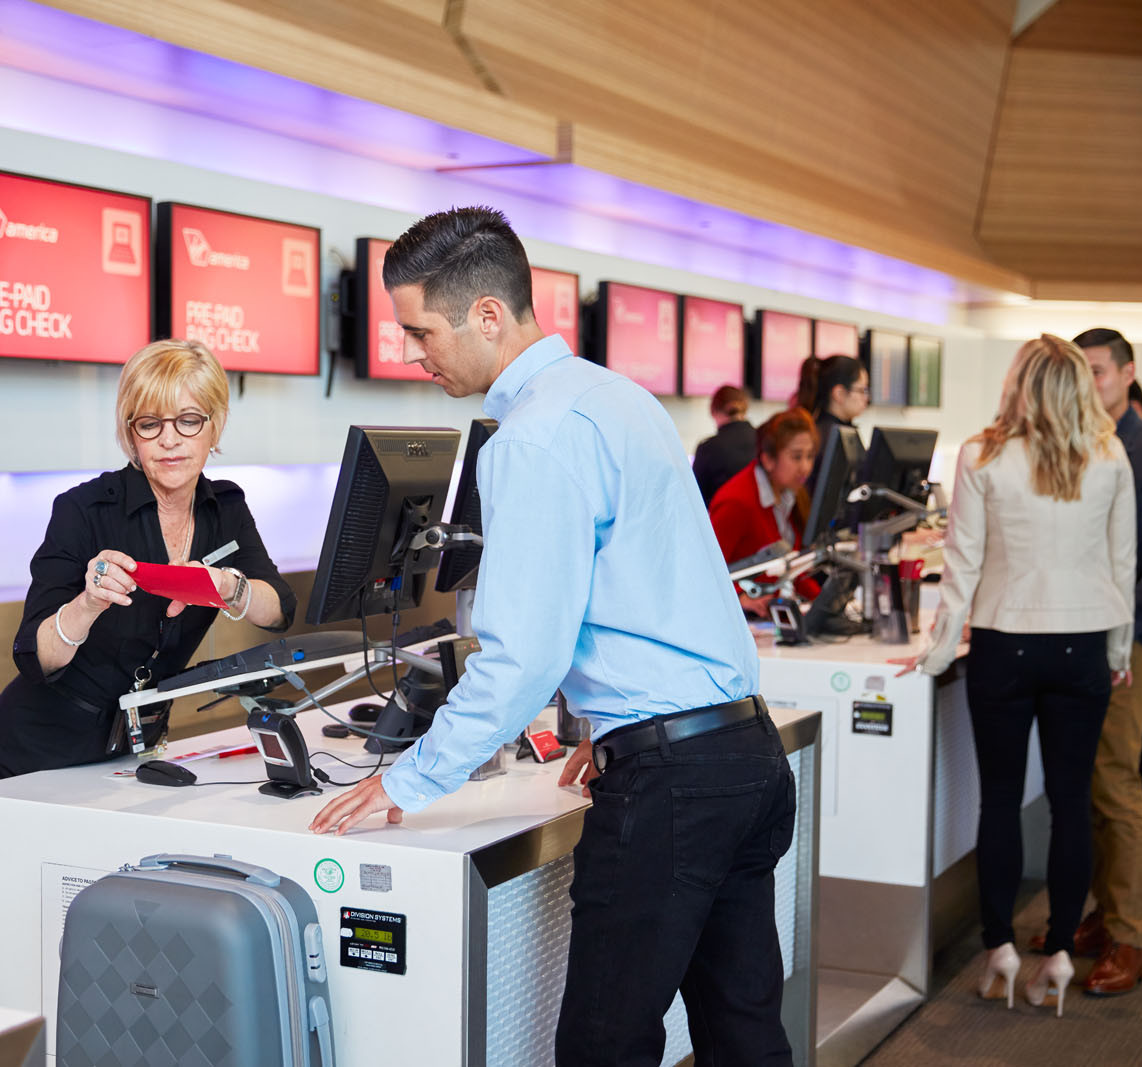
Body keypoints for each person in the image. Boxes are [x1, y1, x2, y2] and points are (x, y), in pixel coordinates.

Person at [309, 207, 795, 1067]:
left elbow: (524, 656)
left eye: (421, 331)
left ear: (487, 316)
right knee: (745, 1035)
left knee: (604, 1048)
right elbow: (655, 588)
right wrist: (607, 729)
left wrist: (410, 781)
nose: (413, 354)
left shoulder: (530, 439)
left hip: (674, 783)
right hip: (741, 751)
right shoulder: (619, 399)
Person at [890, 335, 1135, 1016]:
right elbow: (1123, 564)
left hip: (1004, 641)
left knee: (998, 801)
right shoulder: (1110, 453)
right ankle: (1058, 952)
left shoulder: (983, 453)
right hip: (1083, 645)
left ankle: (999, 946)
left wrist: (936, 653)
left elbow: (961, 566)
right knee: (1069, 803)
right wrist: (1117, 654)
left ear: (1019, 384)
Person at [0, 340, 295, 781]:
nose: (169, 440)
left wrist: (224, 586)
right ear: (131, 433)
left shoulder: (226, 509)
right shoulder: (83, 510)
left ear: (214, 426)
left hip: (137, 748)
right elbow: (35, 656)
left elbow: (280, 609)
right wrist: (87, 604)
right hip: (41, 748)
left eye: (188, 421)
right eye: (150, 424)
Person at [1059, 327, 1142, 994]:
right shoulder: (1073, 448)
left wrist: (1116, 612)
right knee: (1081, 778)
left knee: (1114, 777)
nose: (1090, 384)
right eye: (1079, 373)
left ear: (1127, 372)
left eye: (1099, 372)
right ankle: (1102, 913)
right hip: (1068, 632)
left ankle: (1130, 935)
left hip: (1130, 633)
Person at [708, 408, 822, 615]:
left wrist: (824, 602)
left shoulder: (791, 495)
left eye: (810, 456)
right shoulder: (737, 502)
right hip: (744, 623)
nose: (806, 467)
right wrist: (740, 598)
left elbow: (792, 569)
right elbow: (707, 571)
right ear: (768, 459)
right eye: (796, 457)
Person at [692, 384, 755, 506]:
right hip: (757, 520)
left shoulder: (708, 448)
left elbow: (696, 498)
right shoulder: (764, 440)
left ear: (713, 412)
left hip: (721, 519)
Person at [801, 354, 869, 447]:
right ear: (839, 394)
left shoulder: (833, 431)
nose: (866, 398)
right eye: (862, 390)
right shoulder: (827, 438)